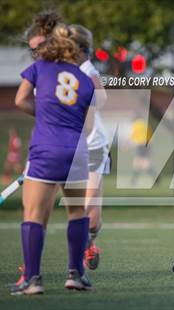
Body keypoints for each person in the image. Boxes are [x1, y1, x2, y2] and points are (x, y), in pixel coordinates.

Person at [10, 23, 95, 295]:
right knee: (77, 212)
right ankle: (75, 275)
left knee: (33, 214)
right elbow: (89, 124)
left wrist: (46, 115)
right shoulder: (86, 80)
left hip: (47, 149)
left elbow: (21, 100)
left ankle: (32, 279)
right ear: (79, 50)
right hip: (77, 150)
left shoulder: (40, 68)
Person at [69, 24, 110, 270]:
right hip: (65, 146)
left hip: (93, 145)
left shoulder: (86, 68)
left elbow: (101, 98)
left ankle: (89, 243)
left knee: (90, 215)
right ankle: (33, 262)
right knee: (84, 213)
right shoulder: (54, 68)